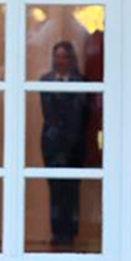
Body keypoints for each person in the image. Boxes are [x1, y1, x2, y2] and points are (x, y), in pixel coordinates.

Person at [39, 41, 89, 248]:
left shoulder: (81, 82)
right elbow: (48, 112)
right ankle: (57, 232)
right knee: (55, 188)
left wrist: (71, 136)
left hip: (75, 142)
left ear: (71, 59)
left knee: (71, 189)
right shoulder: (45, 81)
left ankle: (70, 234)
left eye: (65, 56)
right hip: (52, 142)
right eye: (57, 56)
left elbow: (82, 113)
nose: (61, 60)